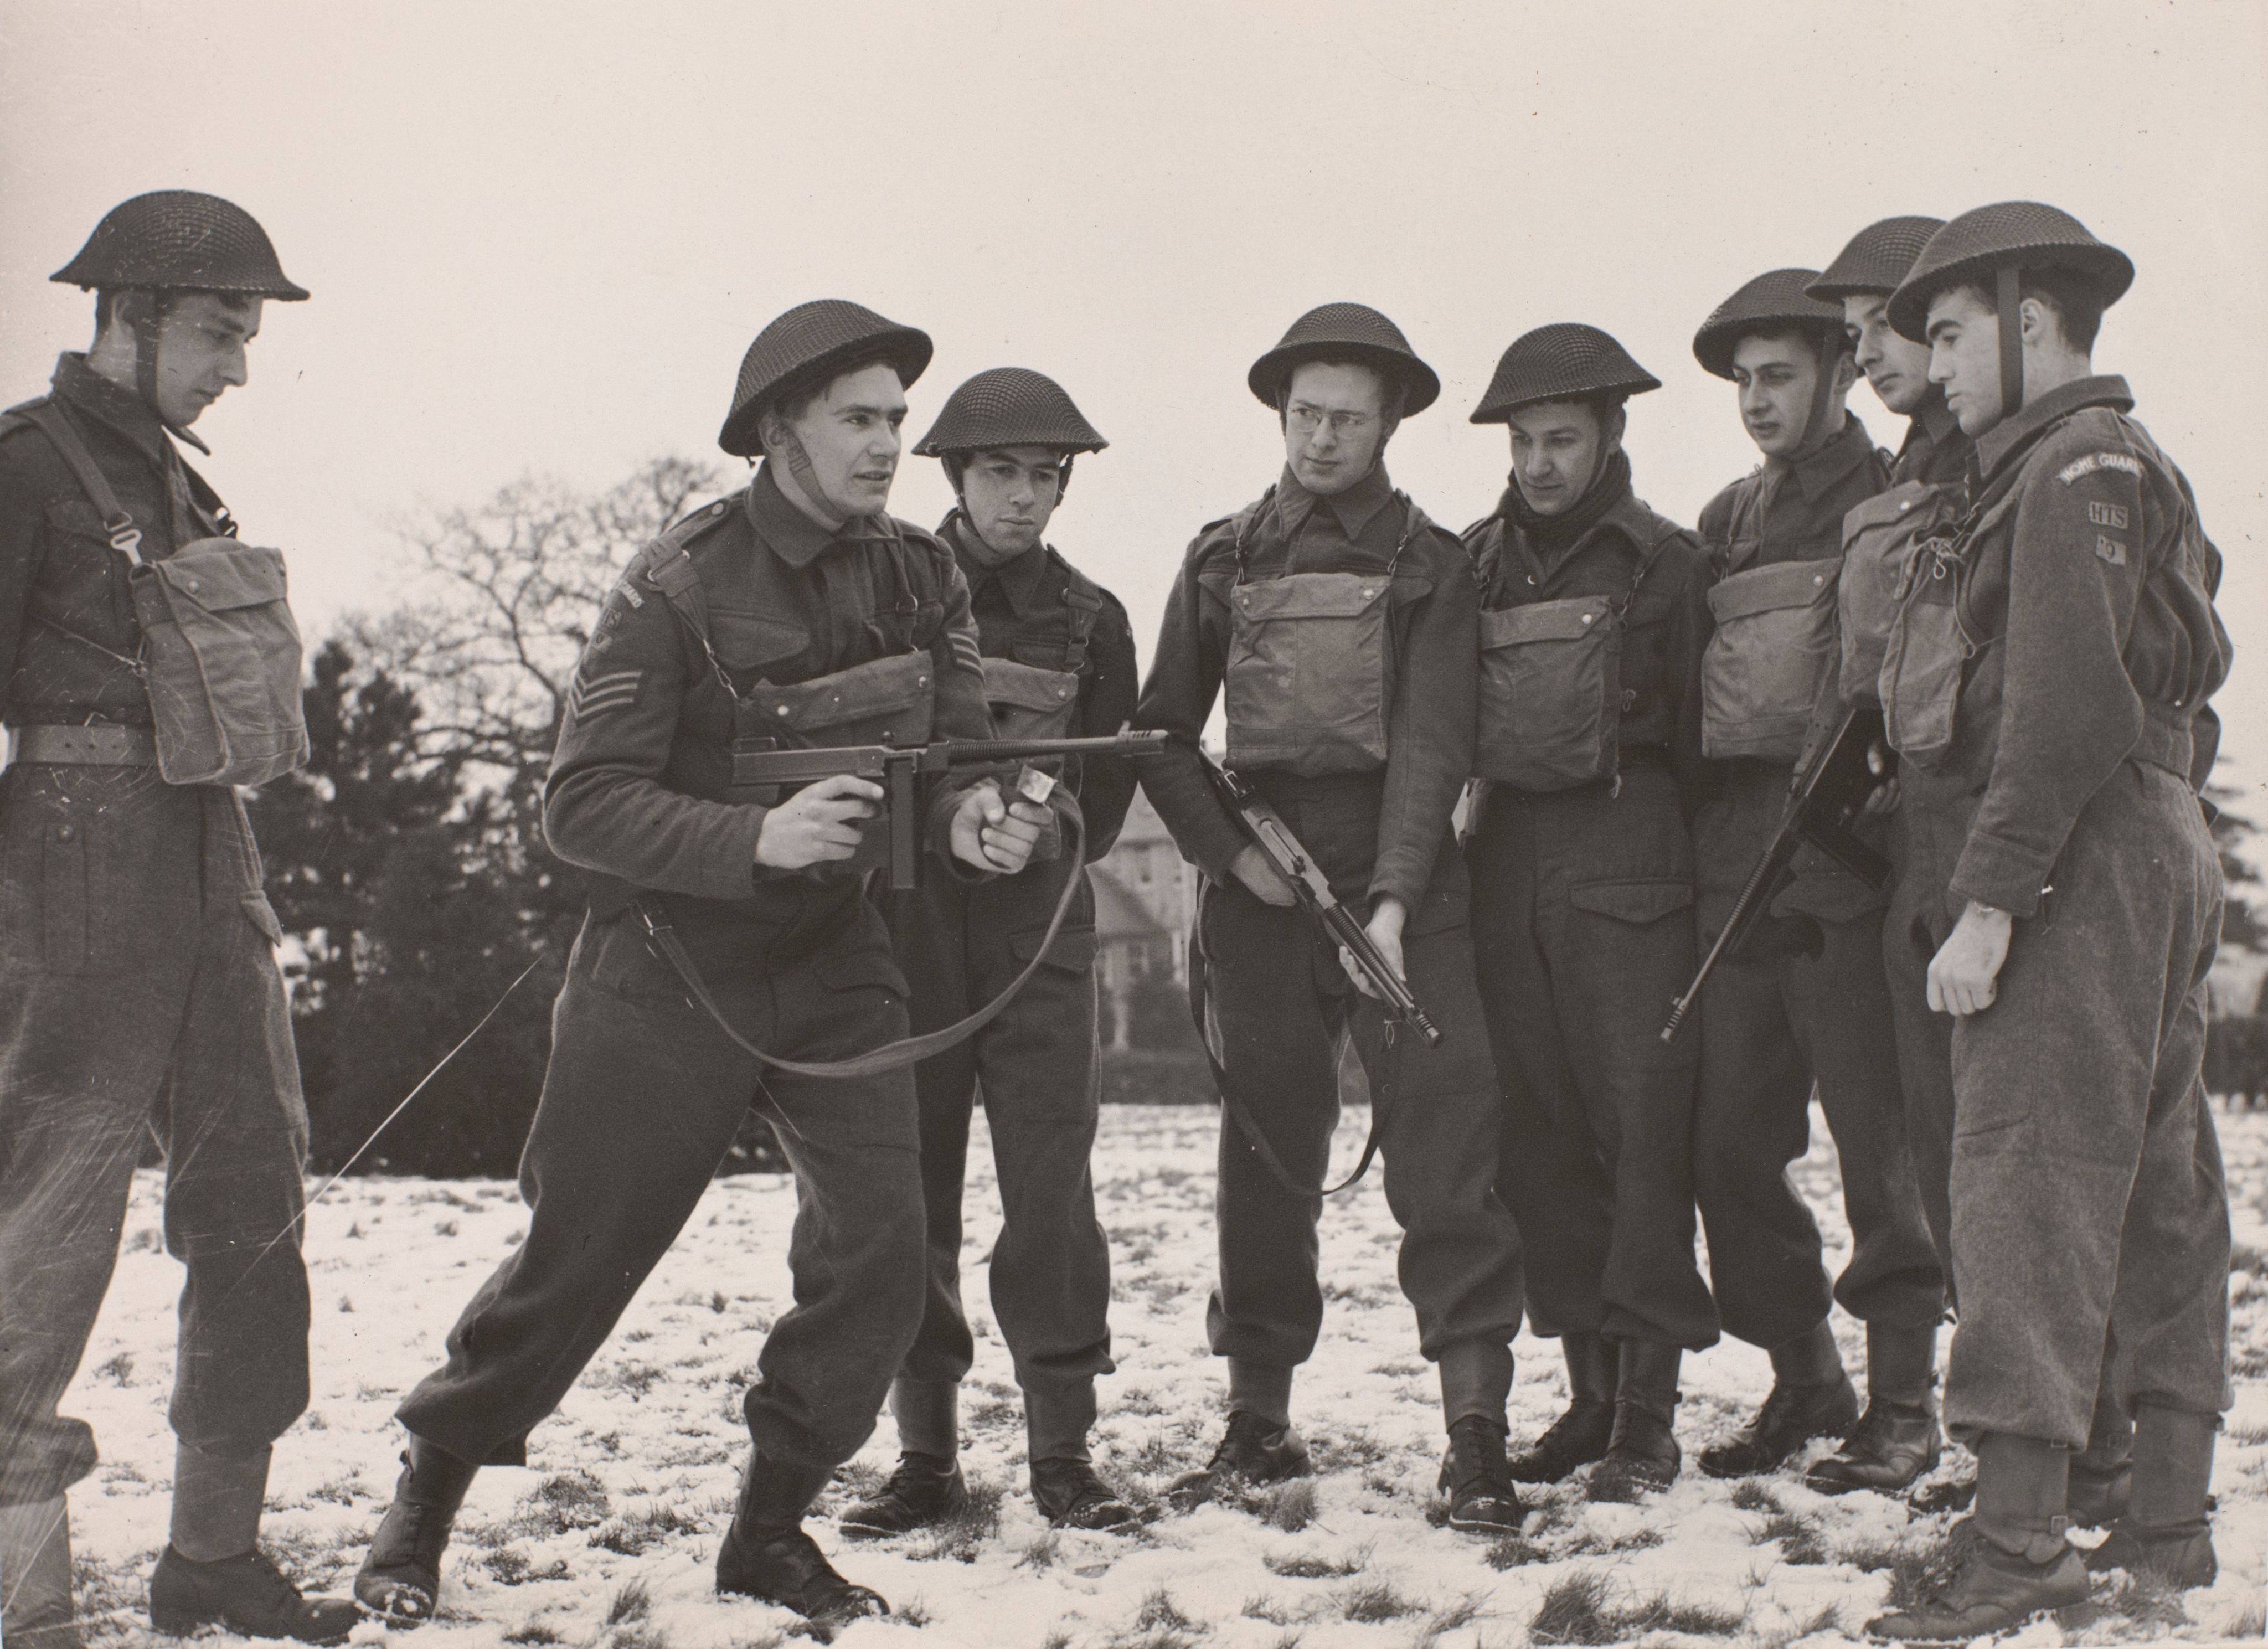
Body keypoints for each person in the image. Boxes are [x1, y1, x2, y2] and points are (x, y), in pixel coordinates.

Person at [351, 301, 1050, 1635]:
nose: (887, 444)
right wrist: (754, 838)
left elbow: (956, 764)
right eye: (858, 418)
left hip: (839, 960)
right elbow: (579, 804)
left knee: (882, 1253)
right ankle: (427, 1494)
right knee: (578, 1257)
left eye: (896, 420)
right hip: (667, 962)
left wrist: (978, 823)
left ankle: (767, 1532)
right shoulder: (675, 581)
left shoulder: (923, 577)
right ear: (778, 431)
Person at [1865, 204, 2231, 1639]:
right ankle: (2166, 1523)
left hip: (2076, 845)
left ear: (2028, 323)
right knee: (2155, 1187)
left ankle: (2018, 1542)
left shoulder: (2069, 459)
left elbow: (2067, 705)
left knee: (2023, 1178)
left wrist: (1990, 902)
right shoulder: (2107, 460)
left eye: (1950, 334)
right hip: (2143, 831)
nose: (1933, 364)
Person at [0, 191, 354, 1648]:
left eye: (247, 336)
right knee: (51, 1216)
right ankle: (23, 1601)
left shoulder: (180, 488)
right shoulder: (26, 467)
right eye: (219, 331)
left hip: (212, 851)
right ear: (130, 314)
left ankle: (213, 1559)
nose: (238, 367)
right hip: (72, 868)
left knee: (255, 1198)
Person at [1133, 305, 1527, 1533]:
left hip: (1402, 891)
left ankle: (1475, 1434)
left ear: (1391, 422)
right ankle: (1256, 1420)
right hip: (1260, 894)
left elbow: (1433, 745)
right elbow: (1161, 734)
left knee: (1448, 1152)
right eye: (1304, 413)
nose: (1320, 438)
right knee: (1263, 1158)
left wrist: (1393, 903)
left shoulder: (1430, 563)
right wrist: (1228, 857)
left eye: (1346, 419)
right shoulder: (1221, 558)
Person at [845, 368, 1141, 1537]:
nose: (1024, 497)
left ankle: (1062, 1454)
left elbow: (1104, 807)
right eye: (1002, 473)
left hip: (1037, 935)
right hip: (907, 928)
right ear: (955, 476)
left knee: (1051, 1194)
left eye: (1045, 476)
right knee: (909, 1191)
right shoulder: (886, 594)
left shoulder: (1093, 619)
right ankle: (925, 1456)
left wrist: (1042, 822)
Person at [1685, 270, 1945, 1483]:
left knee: (1876, 1146)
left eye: (1779, 375)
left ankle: (1904, 1402)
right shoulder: (1723, 521)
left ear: (1841, 374)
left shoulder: (1896, 501)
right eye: (1742, 380)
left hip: (1850, 869)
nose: (1755, 399)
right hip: (1740, 872)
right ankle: (1806, 1377)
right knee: (1728, 1144)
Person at [1456, 324, 1718, 1500]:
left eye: (1560, 439)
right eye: (1521, 442)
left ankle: (1648, 1414)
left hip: (1633, 861)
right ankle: (1588, 1395)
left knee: (1644, 1130)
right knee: (1538, 1136)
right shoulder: (1475, 565)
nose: (1539, 463)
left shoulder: (1668, 563)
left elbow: (1704, 747)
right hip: (1507, 861)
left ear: (1610, 433)